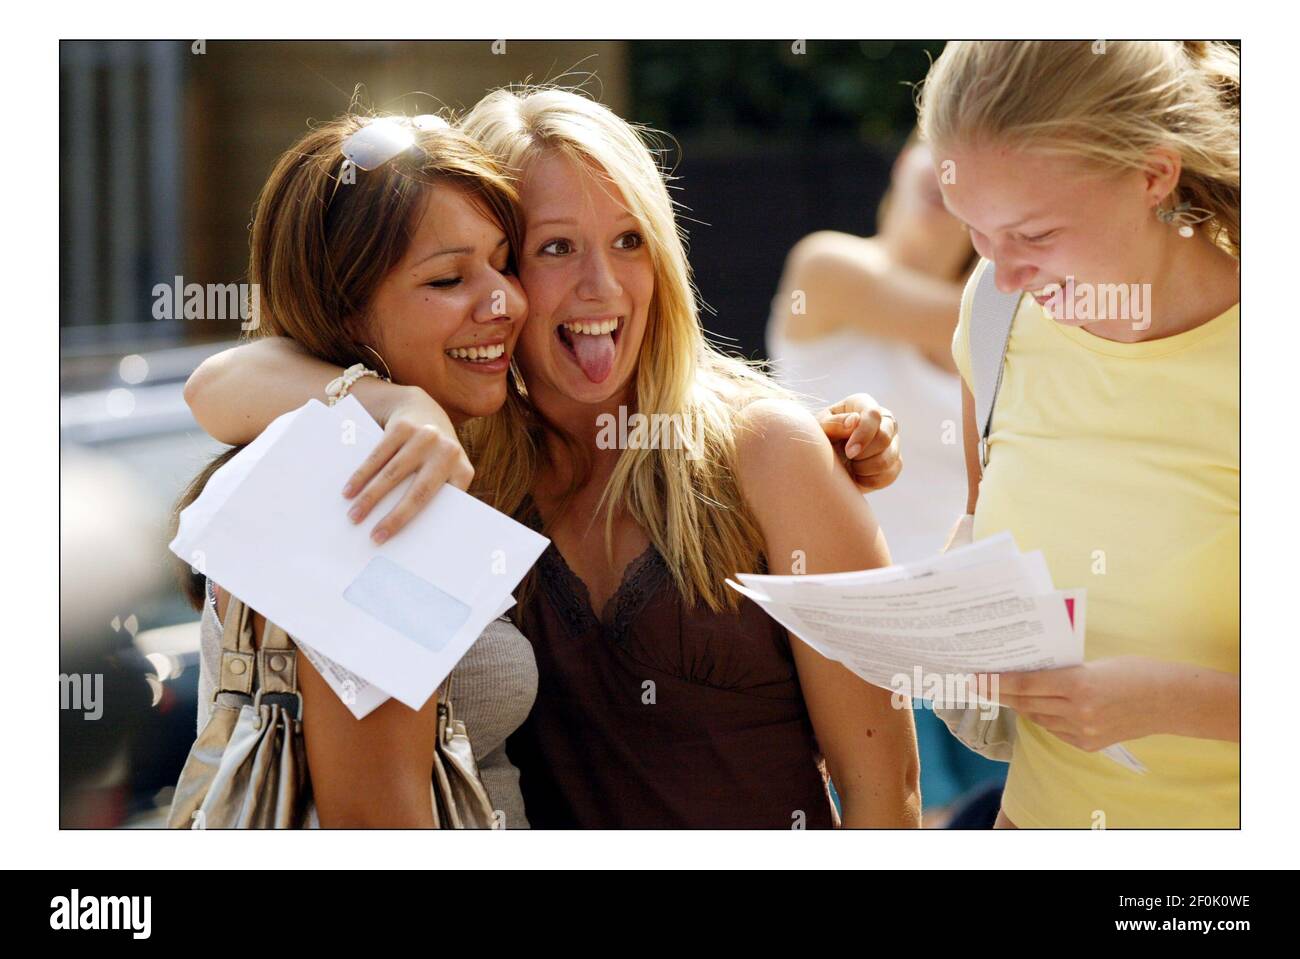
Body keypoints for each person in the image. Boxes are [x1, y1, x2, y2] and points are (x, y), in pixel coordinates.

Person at [185, 87, 920, 828]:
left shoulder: (772, 451)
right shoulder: (438, 469)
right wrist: (387, 403)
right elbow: (216, 383)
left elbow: (887, 793)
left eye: (630, 240)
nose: (601, 285)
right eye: (555, 248)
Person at [173, 114, 538, 827]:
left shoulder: (355, 453)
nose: (507, 302)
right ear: (343, 312)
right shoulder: (364, 490)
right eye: (450, 277)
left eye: (505, 262)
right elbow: (379, 825)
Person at [918, 40, 1240, 827]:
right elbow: (992, 560)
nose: (1002, 272)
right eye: (978, 234)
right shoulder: (995, 317)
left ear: (1153, 175)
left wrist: (1177, 701)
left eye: (1033, 234)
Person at [769, 133, 1006, 825]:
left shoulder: (1003, 300)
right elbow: (975, 324)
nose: (946, 165)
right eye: (931, 142)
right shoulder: (830, 265)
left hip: (967, 638)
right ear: (901, 161)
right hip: (851, 644)